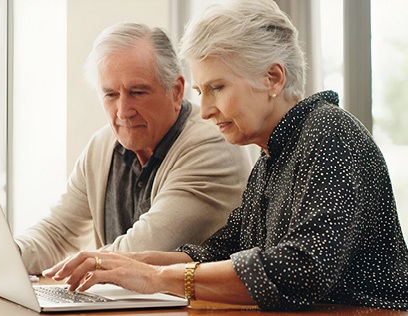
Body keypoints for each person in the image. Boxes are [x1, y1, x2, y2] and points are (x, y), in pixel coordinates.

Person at [42, 0, 408, 311]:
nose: (204, 110)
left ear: (273, 79)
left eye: (218, 87)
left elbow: (300, 269)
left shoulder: (328, 133)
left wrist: (155, 277)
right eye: (202, 91)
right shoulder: (273, 153)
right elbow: (222, 250)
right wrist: (122, 263)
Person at [14, 22, 254, 275]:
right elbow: (57, 234)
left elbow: (142, 251)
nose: (123, 112)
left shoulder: (212, 145)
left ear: (175, 91)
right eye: (110, 95)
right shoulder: (102, 146)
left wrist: (71, 270)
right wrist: (8, 255)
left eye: (137, 92)